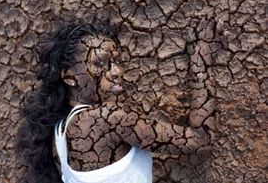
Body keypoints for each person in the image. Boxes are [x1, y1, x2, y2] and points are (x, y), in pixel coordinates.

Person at [16, 21, 211, 183]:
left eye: (116, 61)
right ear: (69, 77)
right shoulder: (109, 119)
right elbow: (199, 140)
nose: (117, 72)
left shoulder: (58, 135)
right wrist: (200, 62)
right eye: (99, 63)